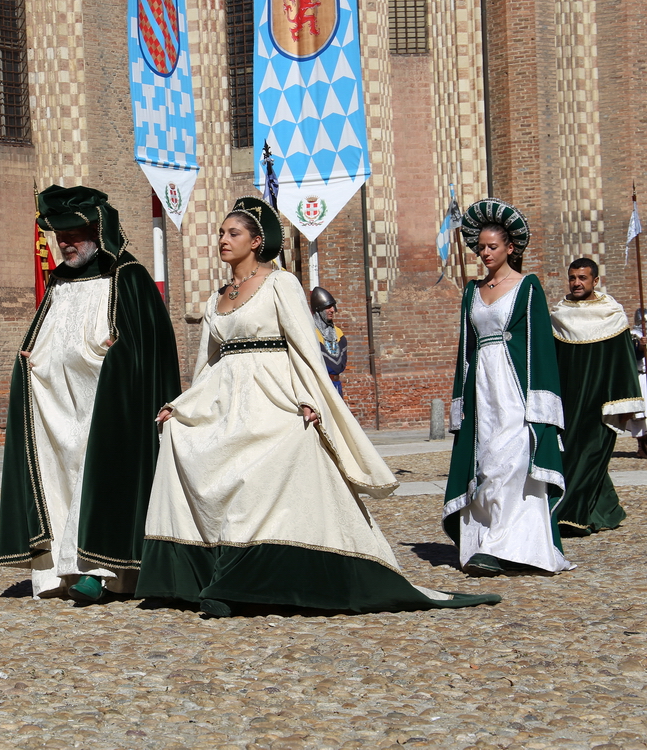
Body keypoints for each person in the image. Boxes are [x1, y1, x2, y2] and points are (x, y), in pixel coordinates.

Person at [135, 196, 500, 616]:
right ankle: (188, 575)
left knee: (277, 459)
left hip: (271, 393)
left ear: (256, 242)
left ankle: (248, 579)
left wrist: (310, 398)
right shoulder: (216, 298)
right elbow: (207, 363)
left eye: (232, 233)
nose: (222, 239)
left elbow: (304, 347)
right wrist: (182, 407)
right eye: (220, 233)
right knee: (180, 438)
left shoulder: (280, 283)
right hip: (223, 397)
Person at [0, 185, 182, 602]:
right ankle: (60, 570)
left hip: (108, 406)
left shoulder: (128, 276)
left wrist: (117, 364)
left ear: (98, 231)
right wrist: (31, 359)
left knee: (100, 480)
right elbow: (50, 336)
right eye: (59, 235)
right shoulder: (60, 280)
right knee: (58, 476)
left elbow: (140, 348)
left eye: (73, 235)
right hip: (60, 405)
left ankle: (99, 571)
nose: (64, 243)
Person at [443, 198, 572, 576]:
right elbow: (465, 348)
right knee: (484, 463)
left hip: (515, 385)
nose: (484, 253)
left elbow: (540, 346)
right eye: (480, 247)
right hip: (481, 386)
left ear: (510, 248)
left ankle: (503, 544)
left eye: (492, 246)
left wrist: (542, 404)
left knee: (513, 461)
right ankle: (487, 542)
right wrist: (460, 401)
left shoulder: (527, 287)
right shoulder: (472, 291)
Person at [550, 258, 644, 535]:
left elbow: (623, 361)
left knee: (590, 454)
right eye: (572, 278)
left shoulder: (611, 314)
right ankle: (606, 509)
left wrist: (628, 403)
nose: (576, 283)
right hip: (568, 402)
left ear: (595, 281)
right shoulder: (559, 315)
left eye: (582, 278)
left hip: (602, 402)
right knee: (573, 456)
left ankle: (571, 516)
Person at [311, 286, 347, 396]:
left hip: (336, 385)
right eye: (328, 307)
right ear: (319, 310)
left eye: (332, 306)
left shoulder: (339, 333)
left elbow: (339, 364)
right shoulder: (311, 334)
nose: (332, 310)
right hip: (320, 387)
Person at [630, 309, 647, 458]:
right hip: (641, 377)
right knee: (642, 414)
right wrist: (641, 346)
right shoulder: (634, 336)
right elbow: (634, 353)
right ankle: (642, 445)